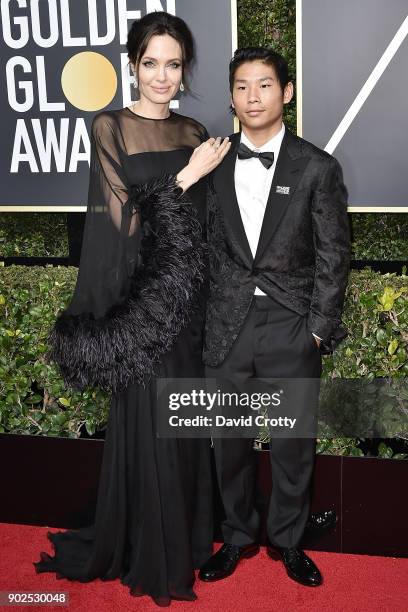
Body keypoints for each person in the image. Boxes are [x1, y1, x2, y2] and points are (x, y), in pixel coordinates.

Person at [33, 12, 230, 607]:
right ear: (133, 65)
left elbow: (207, 229)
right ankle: (154, 551)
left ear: (184, 69)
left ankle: (192, 540)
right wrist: (187, 178)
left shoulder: (196, 131)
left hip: (190, 301)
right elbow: (126, 224)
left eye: (173, 65)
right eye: (151, 64)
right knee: (152, 422)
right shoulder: (111, 127)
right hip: (145, 307)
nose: (162, 77)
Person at [199, 47, 350, 587]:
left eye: (264, 85)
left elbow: (335, 254)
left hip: (291, 325)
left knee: (292, 444)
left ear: (286, 92)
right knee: (230, 441)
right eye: (241, 87)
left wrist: (317, 328)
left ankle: (288, 540)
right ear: (232, 97)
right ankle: (237, 535)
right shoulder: (211, 163)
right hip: (228, 326)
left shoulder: (317, 167)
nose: (252, 96)